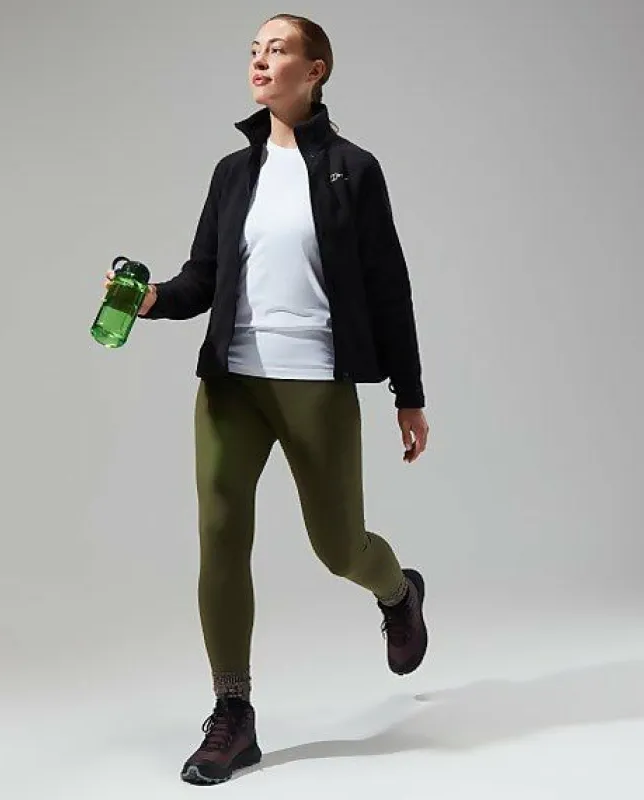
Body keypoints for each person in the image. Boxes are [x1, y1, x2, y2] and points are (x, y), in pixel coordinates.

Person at [104, 13, 430, 786]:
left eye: (277, 50)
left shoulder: (354, 169)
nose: (260, 60)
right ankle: (234, 712)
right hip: (231, 382)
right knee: (220, 536)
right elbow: (204, 276)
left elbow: (388, 286)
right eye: (254, 50)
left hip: (316, 378)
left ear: (315, 70)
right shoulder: (233, 171)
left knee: (338, 547)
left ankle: (397, 591)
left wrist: (408, 395)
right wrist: (153, 299)